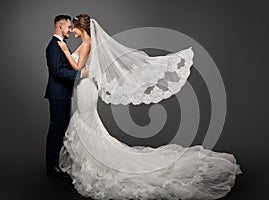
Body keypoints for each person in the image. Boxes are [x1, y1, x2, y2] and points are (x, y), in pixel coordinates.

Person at [57, 14, 242, 199]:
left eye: (74, 28)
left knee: (86, 123)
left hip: (86, 89)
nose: (72, 31)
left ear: (82, 29)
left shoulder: (87, 45)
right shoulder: (89, 45)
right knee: (87, 124)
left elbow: (79, 67)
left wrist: (65, 51)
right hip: (85, 88)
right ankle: (91, 160)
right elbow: (86, 69)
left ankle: (97, 162)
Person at [44, 14, 88, 178]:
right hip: (57, 94)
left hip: (63, 94)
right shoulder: (54, 46)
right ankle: (51, 167)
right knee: (56, 129)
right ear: (60, 26)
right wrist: (80, 75)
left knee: (61, 129)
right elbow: (57, 71)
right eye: (68, 27)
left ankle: (56, 164)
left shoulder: (61, 45)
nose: (70, 30)